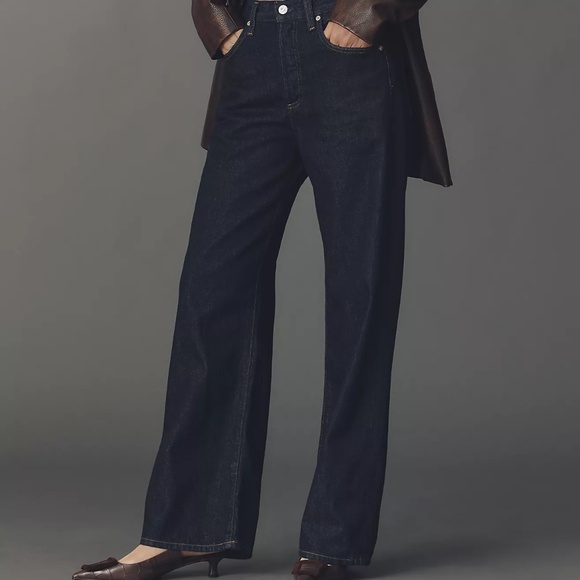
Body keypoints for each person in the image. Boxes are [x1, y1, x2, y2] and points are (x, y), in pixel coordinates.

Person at [71, 0, 452, 578]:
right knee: (212, 294)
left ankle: (335, 541)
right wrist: (223, 30)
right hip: (253, 56)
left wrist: (364, 15)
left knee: (360, 298)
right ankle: (188, 528)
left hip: (347, 60)